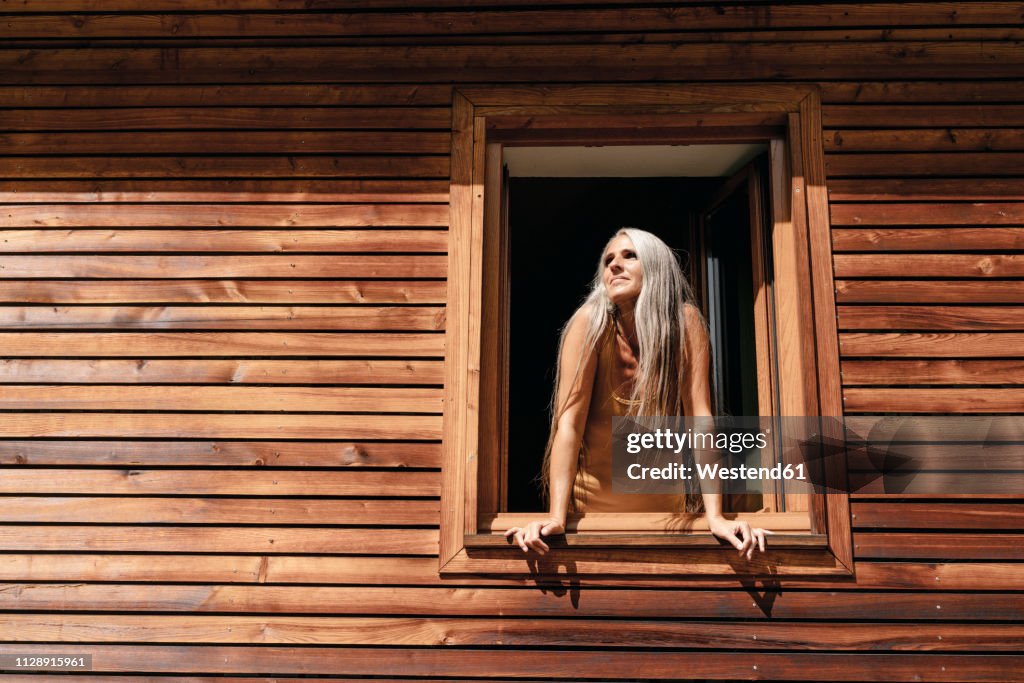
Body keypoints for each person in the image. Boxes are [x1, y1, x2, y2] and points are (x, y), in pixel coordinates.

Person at [505, 228, 771, 559]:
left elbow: (701, 420)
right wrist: (556, 517)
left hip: (673, 513)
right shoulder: (589, 323)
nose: (614, 265)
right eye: (608, 260)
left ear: (657, 266)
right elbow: (568, 424)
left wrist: (715, 517)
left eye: (629, 255)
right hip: (591, 513)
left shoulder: (685, 323)